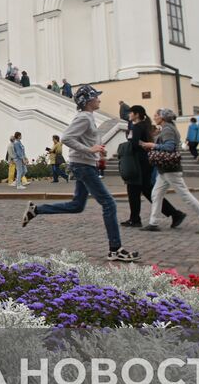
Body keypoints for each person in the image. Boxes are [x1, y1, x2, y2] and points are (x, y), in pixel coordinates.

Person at [22, 85, 138, 262]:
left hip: (84, 164)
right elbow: (67, 138)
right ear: (88, 101)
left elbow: (83, 140)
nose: (99, 99)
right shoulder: (84, 117)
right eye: (96, 97)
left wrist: (97, 151)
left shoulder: (88, 117)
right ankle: (115, 249)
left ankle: (36, 210)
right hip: (83, 166)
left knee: (77, 205)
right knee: (109, 203)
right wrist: (90, 150)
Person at [140, 108, 199, 234]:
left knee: (185, 195)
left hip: (170, 169)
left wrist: (152, 145)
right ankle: (153, 223)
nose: (154, 117)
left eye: (156, 115)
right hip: (165, 170)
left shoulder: (167, 129)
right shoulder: (170, 127)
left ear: (162, 118)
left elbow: (169, 147)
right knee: (156, 194)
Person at [119, 105, 185, 229]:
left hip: (138, 162)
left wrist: (129, 137)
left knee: (133, 190)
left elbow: (134, 143)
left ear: (137, 114)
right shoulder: (145, 125)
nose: (129, 115)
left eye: (131, 113)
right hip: (145, 161)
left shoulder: (138, 126)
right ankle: (174, 213)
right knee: (148, 190)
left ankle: (135, 219)